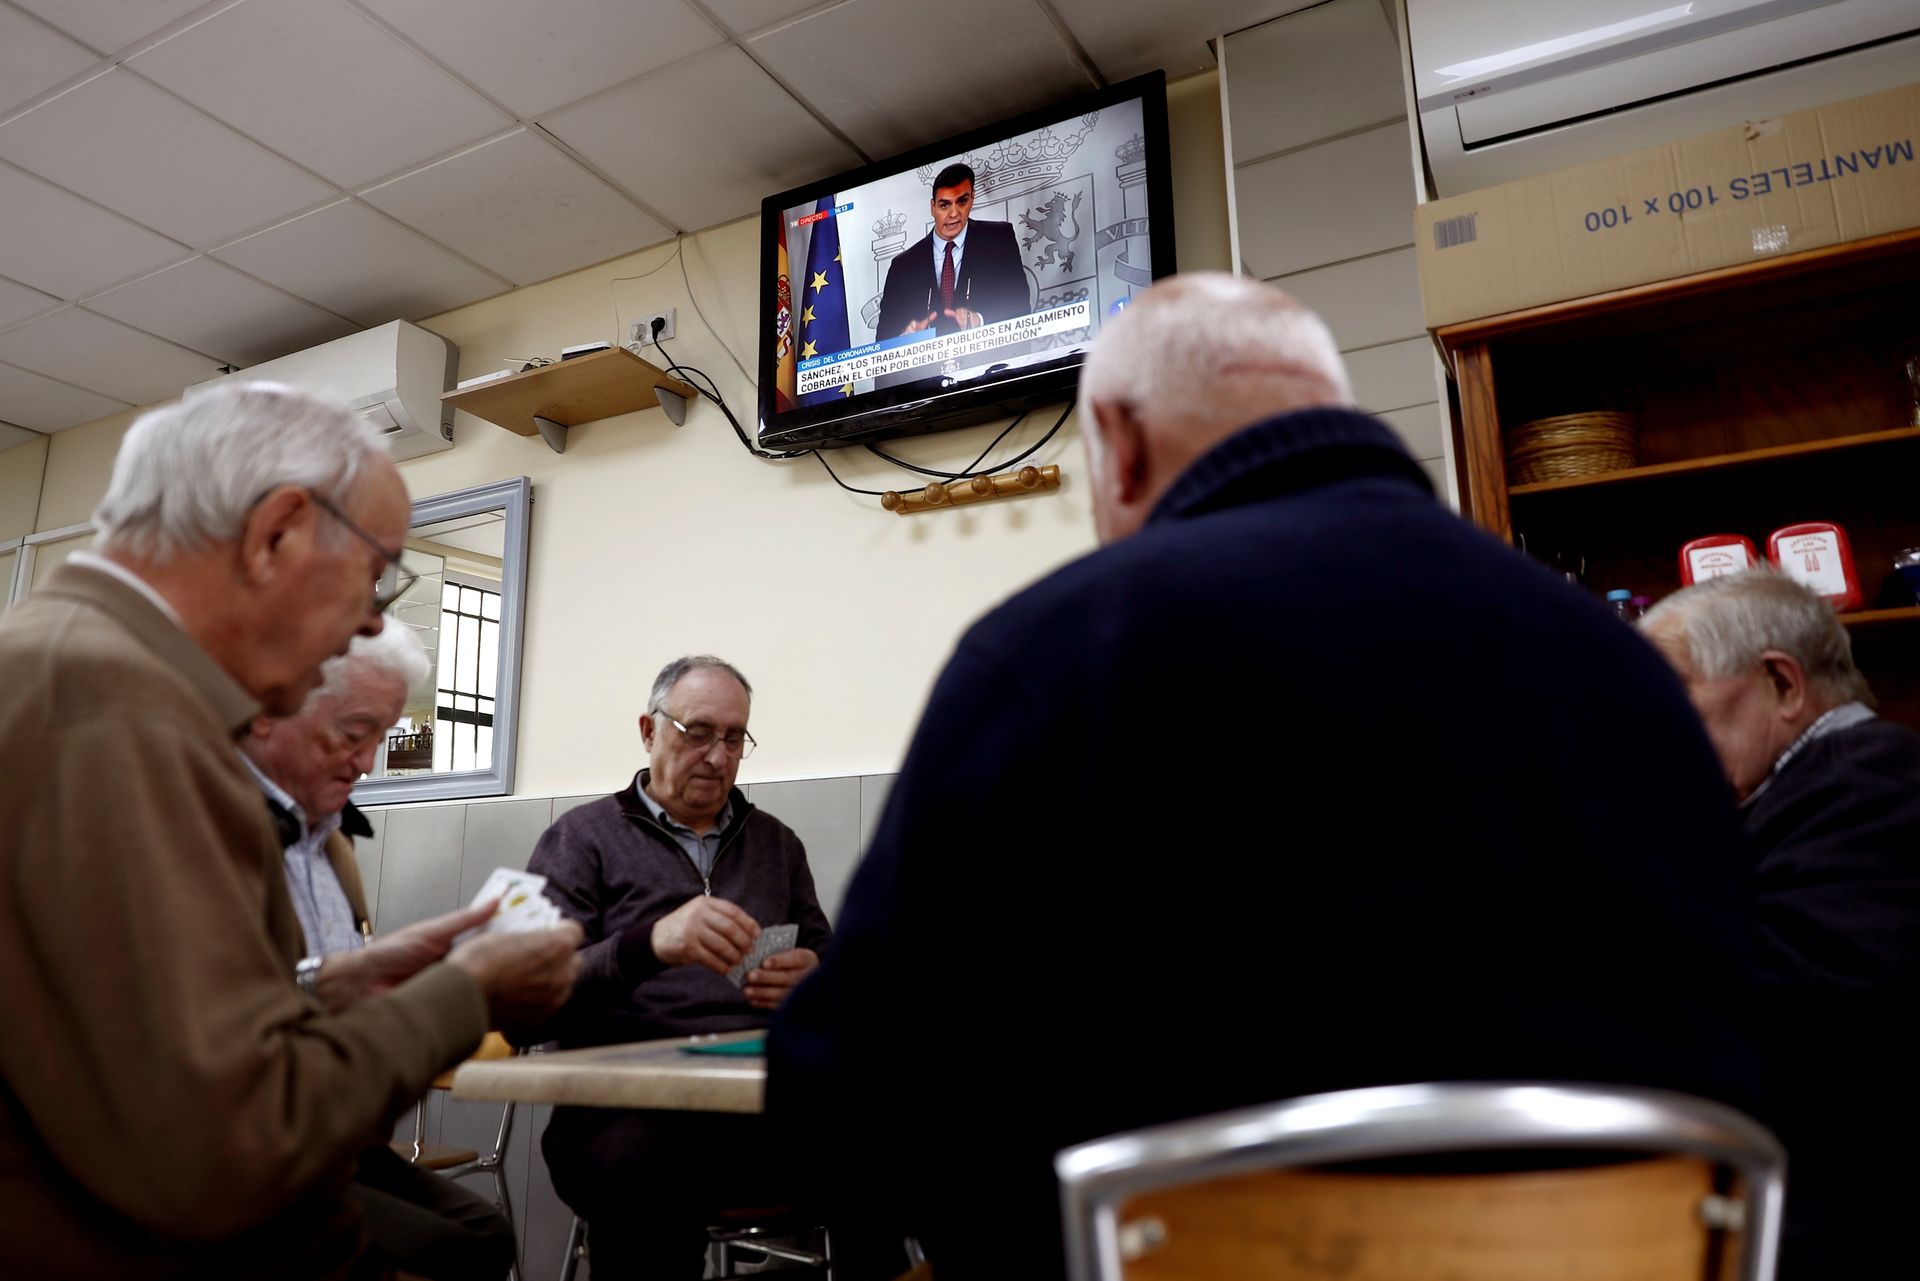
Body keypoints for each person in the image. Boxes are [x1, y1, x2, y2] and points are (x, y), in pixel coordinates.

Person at [768, 273, 1762, 1280]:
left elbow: (850, 1097)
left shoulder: (1058, 650)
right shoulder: (1625, 665)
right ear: (1326, 405)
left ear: (1118, 440)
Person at [0, 382, 581, 1279]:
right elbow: (228, 1145)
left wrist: (338, 986)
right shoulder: (119, 713)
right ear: (276, 534)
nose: (374, 618)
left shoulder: (62, 668)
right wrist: (465, 992)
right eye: (376, 572)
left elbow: (127, 1044)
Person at [1642, 570, 1920, 1278]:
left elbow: (1808, 1006)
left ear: (1782, 683)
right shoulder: (1809, 790)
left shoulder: (1870, 781)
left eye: (1669, 691)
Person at [525, 656, 834, 1280]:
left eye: (734, 738)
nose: (717, 757)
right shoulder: (581, 840)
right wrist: (649, 945)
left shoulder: (776, 845)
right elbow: (530, 1004)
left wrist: (816, 981)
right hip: (622, 1108)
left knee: (896, 1138)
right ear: (648, 731)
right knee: (646, 1170)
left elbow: (833, 968)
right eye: (698, 732)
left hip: (758, 1104)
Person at [243, 625, 516, 1281]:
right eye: (352, 732)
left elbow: (335, 984)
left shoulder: (331, 844)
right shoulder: (220, 825)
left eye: (382, 736)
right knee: (447, 1251)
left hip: (340, 1135)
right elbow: (239, 1013)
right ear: (273, 712)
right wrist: (440, 996)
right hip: (253, 1145)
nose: (367, 762)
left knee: (486, 1235)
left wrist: (398, 968)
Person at [875, 162, 1031, 345]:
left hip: (991, 360)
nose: (954, 214)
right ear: (932, 207)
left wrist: (980, 321)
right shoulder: (903, 266)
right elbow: (883, 342)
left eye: (962, 201)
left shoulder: (999, 239)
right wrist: (906, 340)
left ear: (972, 199)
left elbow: (1021, 309)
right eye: (944, 205)